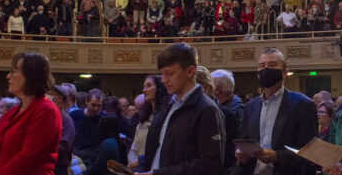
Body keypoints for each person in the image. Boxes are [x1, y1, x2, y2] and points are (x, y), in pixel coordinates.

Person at [135, 43, 225, 175]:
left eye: (169, 73)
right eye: (162, 74)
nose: (164, 80)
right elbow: (160, 150)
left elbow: (209, 165)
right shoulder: (168, 105)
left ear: (189, 71)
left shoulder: (207, 109)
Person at [236, 48, 317, 175]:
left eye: (272, 64)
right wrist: (242, 155)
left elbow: (311, 151)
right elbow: (245, 141)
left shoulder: (303, 105)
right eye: (261, 66)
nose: (266, 68)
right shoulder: (249, 107)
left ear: (284, 72)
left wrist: (278, 156)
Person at [0, 52, 62, 175]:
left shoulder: (46, 111)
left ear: (31, 76)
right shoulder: (12, 112)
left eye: (14, 71)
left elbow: (28, 159)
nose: (8, 76)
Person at [127, 75, 169, 169]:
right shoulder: (144, 118)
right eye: (144, 87)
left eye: (149, 86)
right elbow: (134, 147)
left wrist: (140, 161)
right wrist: (132, 160)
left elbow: (162, 149)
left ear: (159, 88)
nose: (144, 90)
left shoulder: (165, 117)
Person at [70, 89, 104, 163]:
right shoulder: (75, 115)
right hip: (76, 155)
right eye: (93, 105)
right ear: (86, 101)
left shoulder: (104, 118)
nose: (96, 109)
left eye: (99, 106)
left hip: (93, 157)